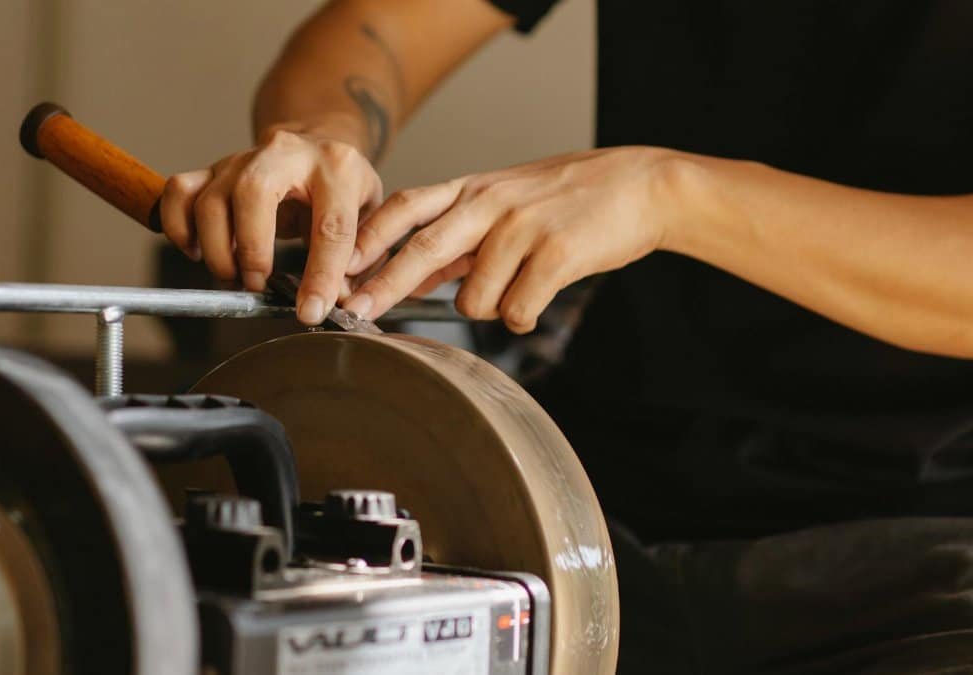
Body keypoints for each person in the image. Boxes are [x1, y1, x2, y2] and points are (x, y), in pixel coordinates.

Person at [161, 1, 973, 671]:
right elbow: (381, 28)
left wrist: (670, 195)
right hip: (590, 520)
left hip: (927, 564)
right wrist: (322, 134)